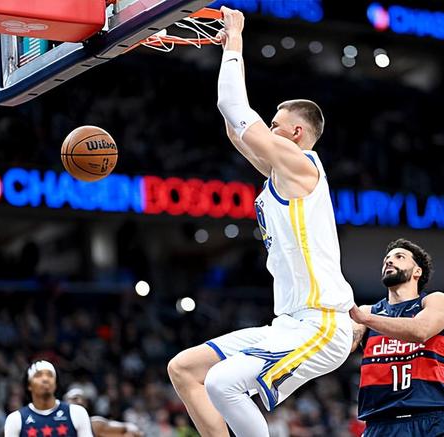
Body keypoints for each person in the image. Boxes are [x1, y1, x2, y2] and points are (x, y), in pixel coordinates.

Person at [167, 6, 357, 436]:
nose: (267, 129)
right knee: (184, 368)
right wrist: (225, 54)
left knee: (222, 382)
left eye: (275, 124)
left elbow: (233, 107)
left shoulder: (302, 165)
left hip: (323, 322)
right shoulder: (279, 173)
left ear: (295, 134)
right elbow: (233, 127)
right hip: (288, 323)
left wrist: (235, 37)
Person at [349, 238, 444, 436]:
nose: (389, 261)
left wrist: (365, 319)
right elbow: (342, 347)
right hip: (379, 424)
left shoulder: (435, 301)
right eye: (386, 259)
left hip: (429, 421)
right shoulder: (367, 312)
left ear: (417, 271)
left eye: (399, 257)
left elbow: (421, 331)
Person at [4, 360, 93, 437]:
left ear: (55, 384)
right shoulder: (15, 419)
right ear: (29, 385)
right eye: (38, 375)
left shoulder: (77, 412)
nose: (45, 379)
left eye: (50, 375)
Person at [63, 388, 143, 437]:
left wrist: (134, 431)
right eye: (75, 398)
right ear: (64, 403)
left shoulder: (94, 425)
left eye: (83, 400)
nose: (80, 401)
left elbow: (127, 427)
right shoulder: (56, 424)